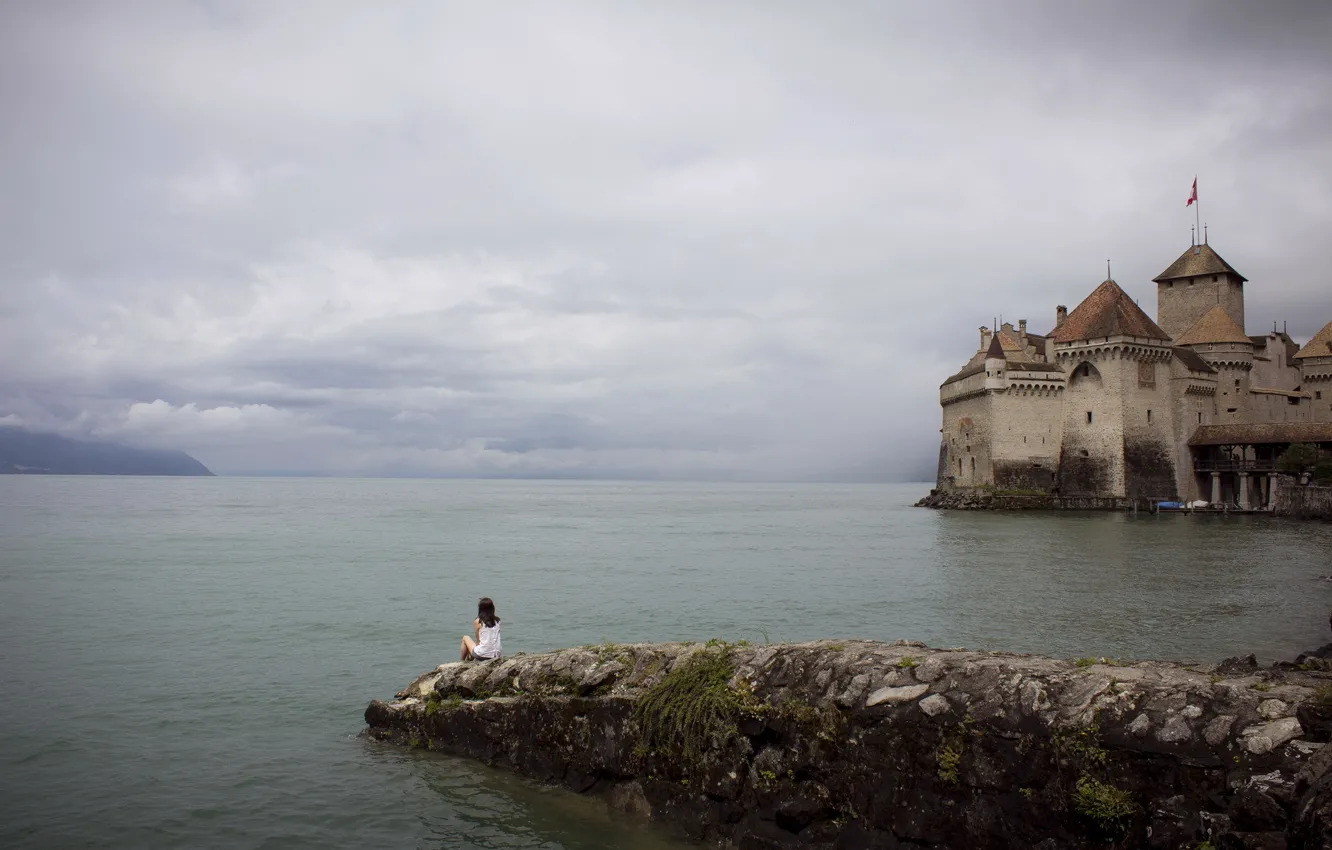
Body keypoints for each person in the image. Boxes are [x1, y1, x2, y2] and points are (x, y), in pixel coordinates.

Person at [461, 597, 502, 661]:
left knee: (465, 638)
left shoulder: (478, 622)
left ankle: (462, 662)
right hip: (496, 654)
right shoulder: (498, 621)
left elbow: (478, 641)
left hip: (483, 655)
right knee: (474, 648)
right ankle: (469, 659)